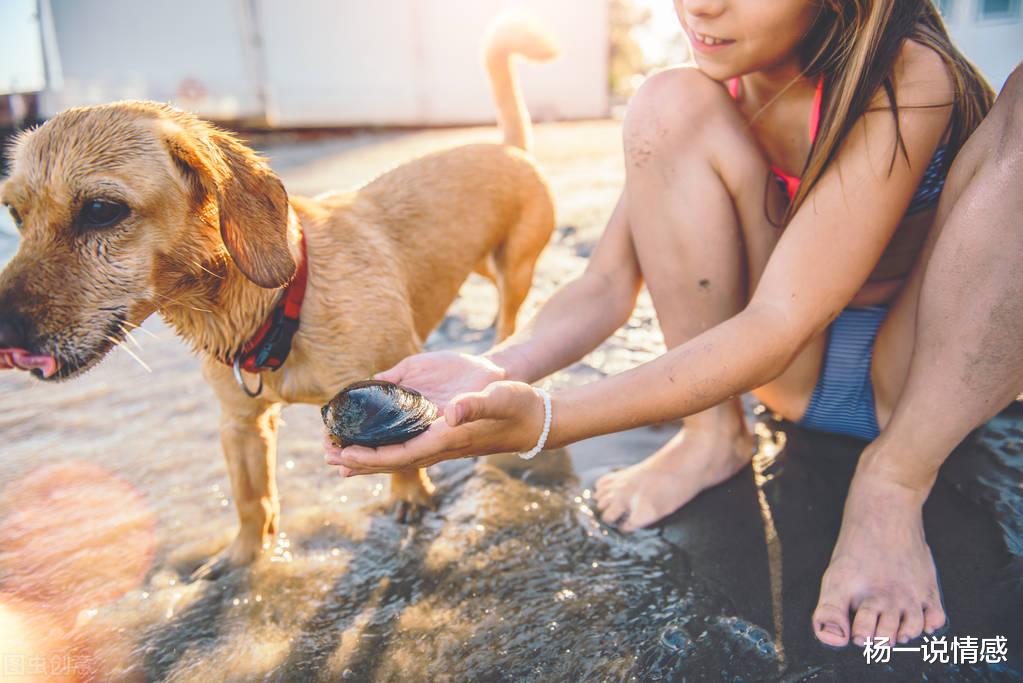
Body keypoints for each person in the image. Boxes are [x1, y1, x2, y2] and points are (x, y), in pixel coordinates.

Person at [325, 0, 1023, 650]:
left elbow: (782, 319)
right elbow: (603, 284)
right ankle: (712, 433)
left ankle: (892, 481)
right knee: (663, 100)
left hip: (921, 381)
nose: (700, 4)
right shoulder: (715, 86)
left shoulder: (905, 73)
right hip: (788, 373)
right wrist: (497, 367)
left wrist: (547, 419)